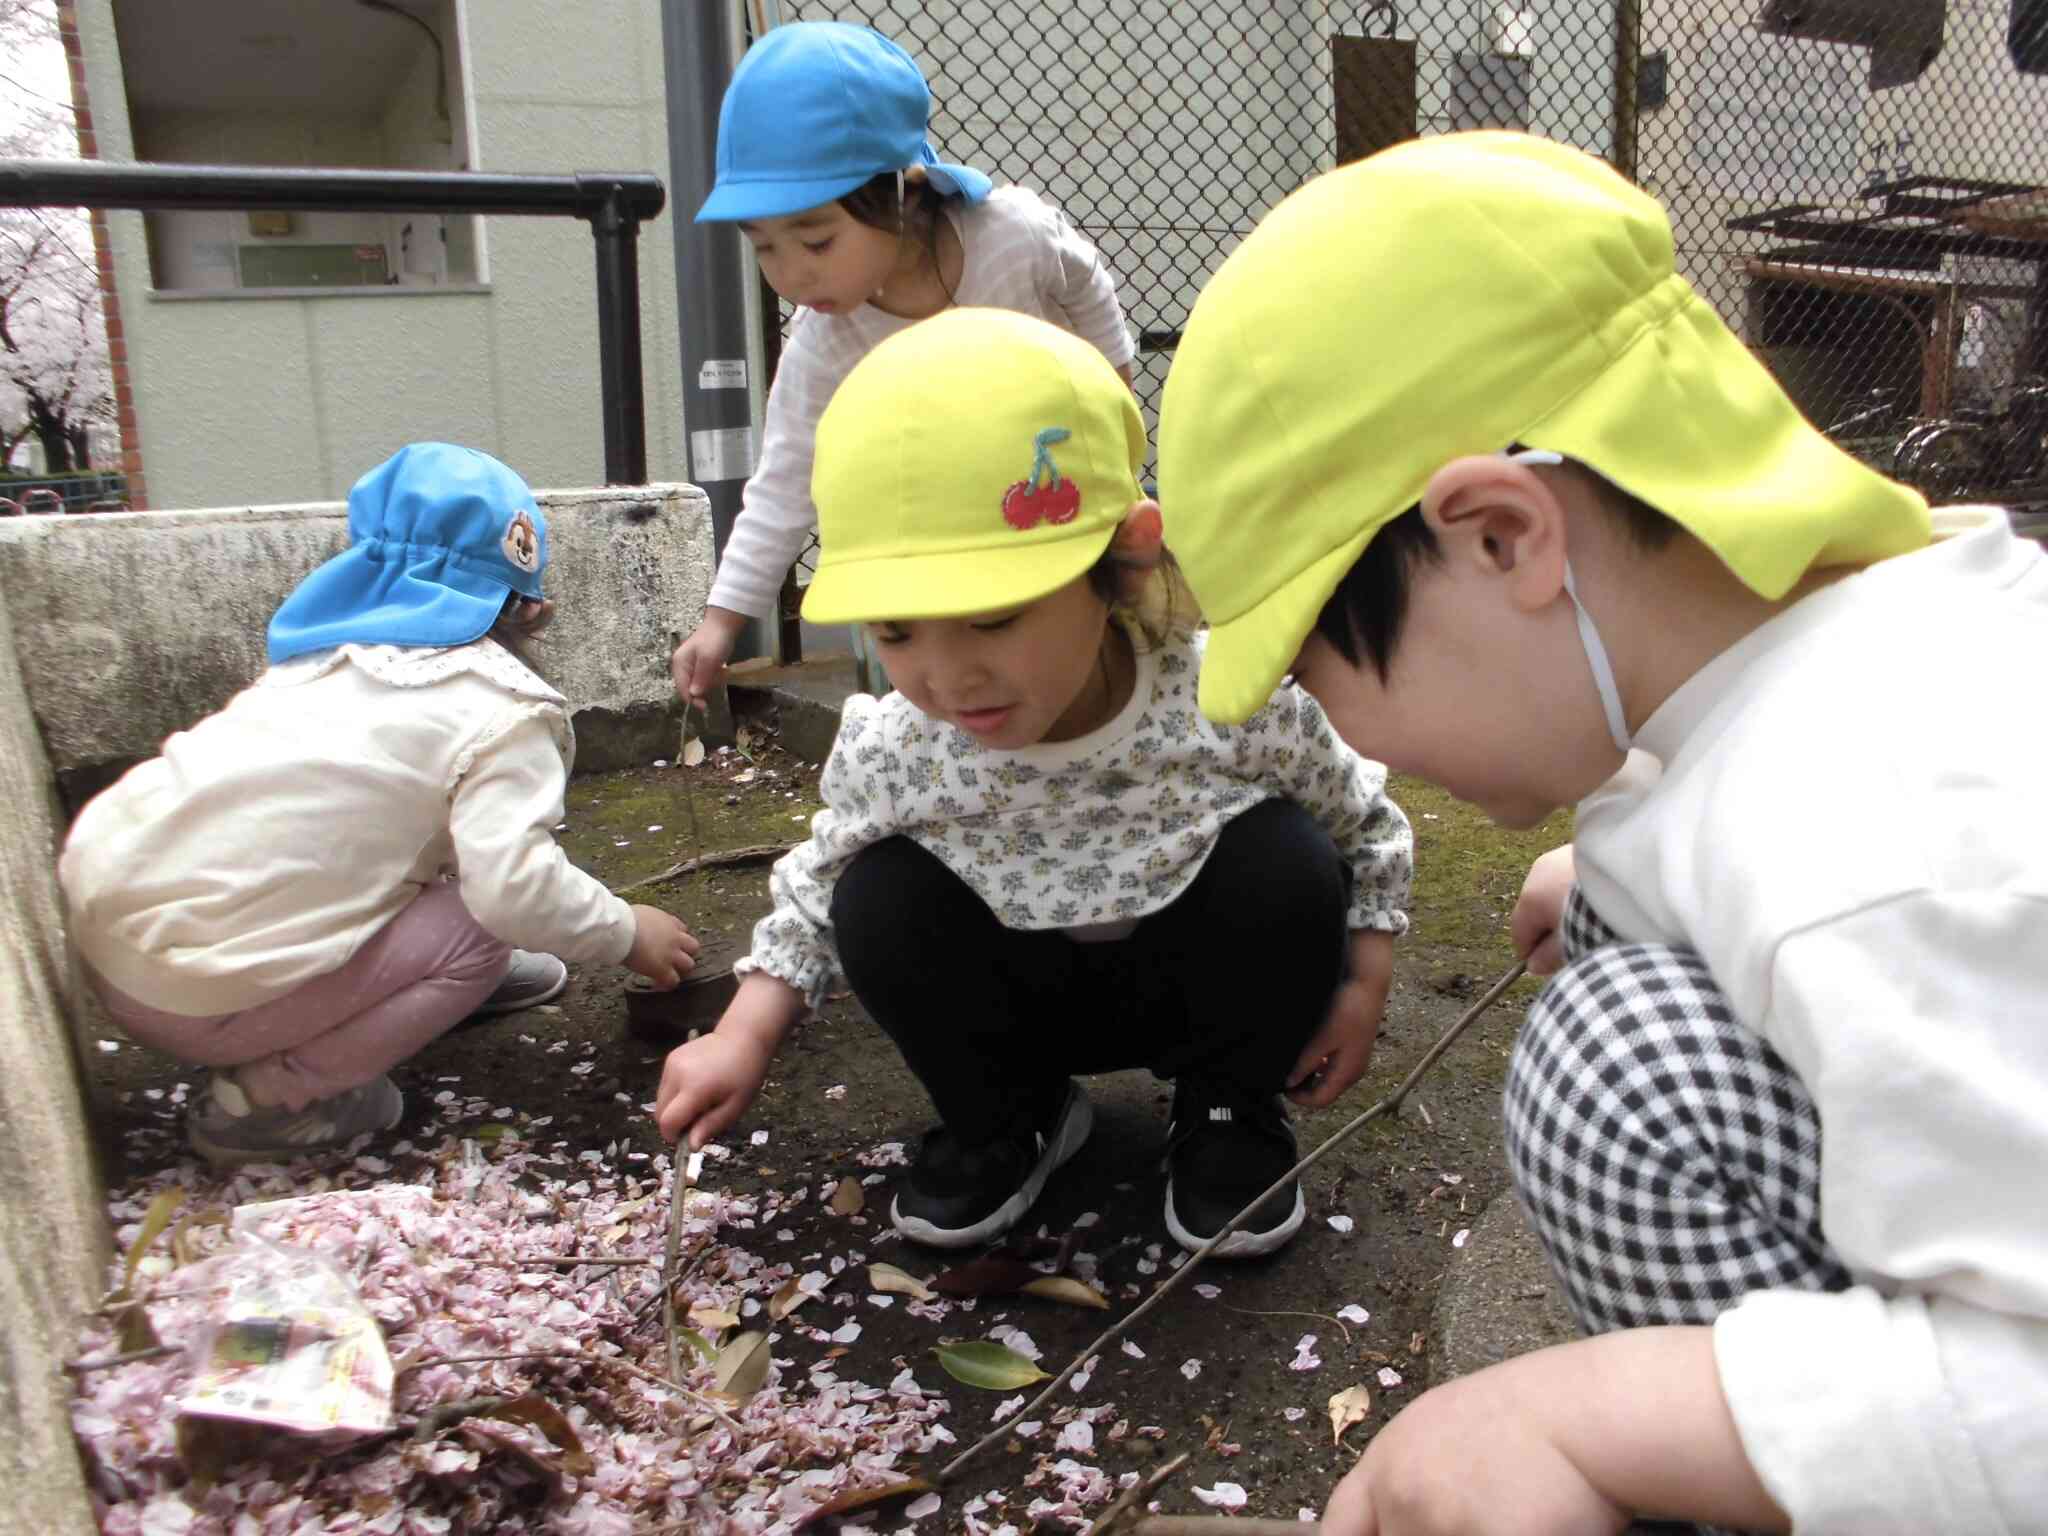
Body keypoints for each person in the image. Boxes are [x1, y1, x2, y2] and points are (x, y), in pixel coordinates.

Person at [1154, 129, 2047, 1534]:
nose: (1354, 745)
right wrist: (1633, 866)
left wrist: (1570, 1419)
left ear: (1504, 536)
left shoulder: (1884, 842)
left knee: (1607, 1069)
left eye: (1325, 678)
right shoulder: (1878, 657)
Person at [654, 309, 1412, 1257]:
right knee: (877, 894)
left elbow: (1366, 830)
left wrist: (1362, 987)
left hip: (1200, 992)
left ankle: (1227, 1112)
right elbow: (814, 891)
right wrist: (742, 1037)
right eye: (896, 633)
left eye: (994, 618)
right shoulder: (906, 745)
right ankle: (1006, 1119)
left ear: (1121, 565)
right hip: (1016, 1007)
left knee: (1287, 863)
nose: (946, 676)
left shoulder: (1223, 697)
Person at [60, 443, 701, 1166]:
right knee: (485, 927)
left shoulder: (323, 657)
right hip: (202, 996)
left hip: (112, 948)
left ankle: (415, 986)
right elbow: (515, 887)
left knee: (410, 845)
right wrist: (625, 930)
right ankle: (273, 1101)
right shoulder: (504, 707)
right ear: (531, 608)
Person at [669, 20, 1137, 708]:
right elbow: (784, 480)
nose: (791, 275)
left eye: (817, 241)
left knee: (1093, 664)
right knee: (952, 691)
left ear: (903, 190)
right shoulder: (824, 340)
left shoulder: (1012, 236)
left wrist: (1115, 406)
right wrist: (720, 621)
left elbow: (1087, 286)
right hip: (928, 559)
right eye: (764, 248)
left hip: (1048, 510)